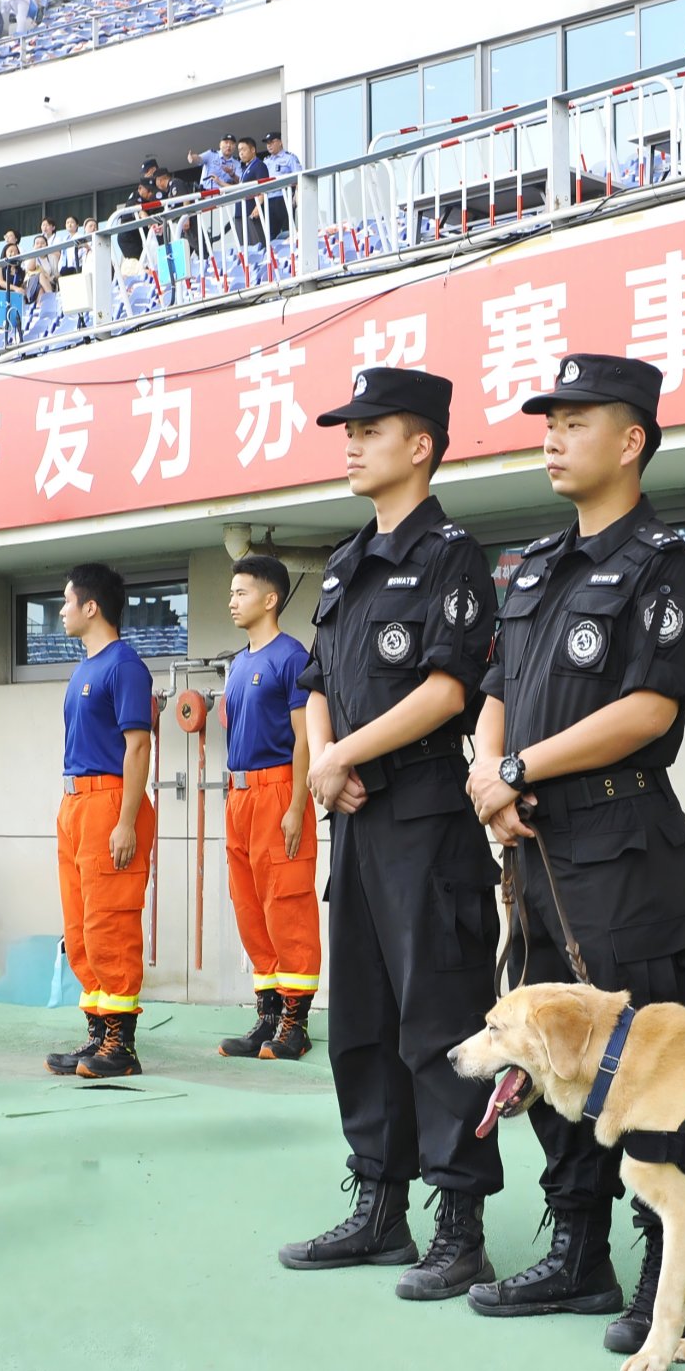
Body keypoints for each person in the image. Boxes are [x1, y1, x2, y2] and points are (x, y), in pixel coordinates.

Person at [461, 354, 685, 1356]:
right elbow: (495, 688)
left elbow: (649, 708)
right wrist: (488, 779)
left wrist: (518, 767)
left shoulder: (664, 564)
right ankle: (576, 1251)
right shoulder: (531, 566)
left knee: (648, 1062)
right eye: (548, 423)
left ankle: (665, 1268)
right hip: (534, 850)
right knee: (544, 1054)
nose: (553, 438)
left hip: (622, 849)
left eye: (575, 422)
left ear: (632, 440)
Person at [278, 366, 503, 1304]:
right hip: (358, 822)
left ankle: (460, 1228)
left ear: (421, 445)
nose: (352, 443)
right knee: (363, 1023)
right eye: (349, 430)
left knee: (440, 1024)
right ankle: (379, 1206)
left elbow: (448, 690)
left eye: (371, 429)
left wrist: (342, 757)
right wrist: (328, 759)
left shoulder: (454, 556)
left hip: (425, 819)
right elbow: (316, 681)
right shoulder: (343, 563)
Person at [43, 563, 158, 1080]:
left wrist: (126, 821)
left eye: (67, 601)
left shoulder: (124, 666)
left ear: (92, 607)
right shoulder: (84, 669)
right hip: (75, 805)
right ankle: (97, 1032)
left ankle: (121, 1045)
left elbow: (138, 747)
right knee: (81, 926)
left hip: (110, 803)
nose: (61, 611)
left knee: (110, 922)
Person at [215, 554, 322, 1061]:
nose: (232, 602)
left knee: (287, 904)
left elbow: (305, 738)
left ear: (270, 599)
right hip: (239, 796)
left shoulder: (291, 657)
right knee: (250, 907)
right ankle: (269, 1015)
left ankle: (295, 1024)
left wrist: (297, 804)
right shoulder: (239, 664)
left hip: (279, 790)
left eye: (241, 592)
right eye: (231, 593)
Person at [0, 243, 28, 338]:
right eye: (11, 251)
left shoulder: (21, 272)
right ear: (5, 253)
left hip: (12, 301)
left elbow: (22, 286)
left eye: (16, 252)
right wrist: (16, 288)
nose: (13, 253)